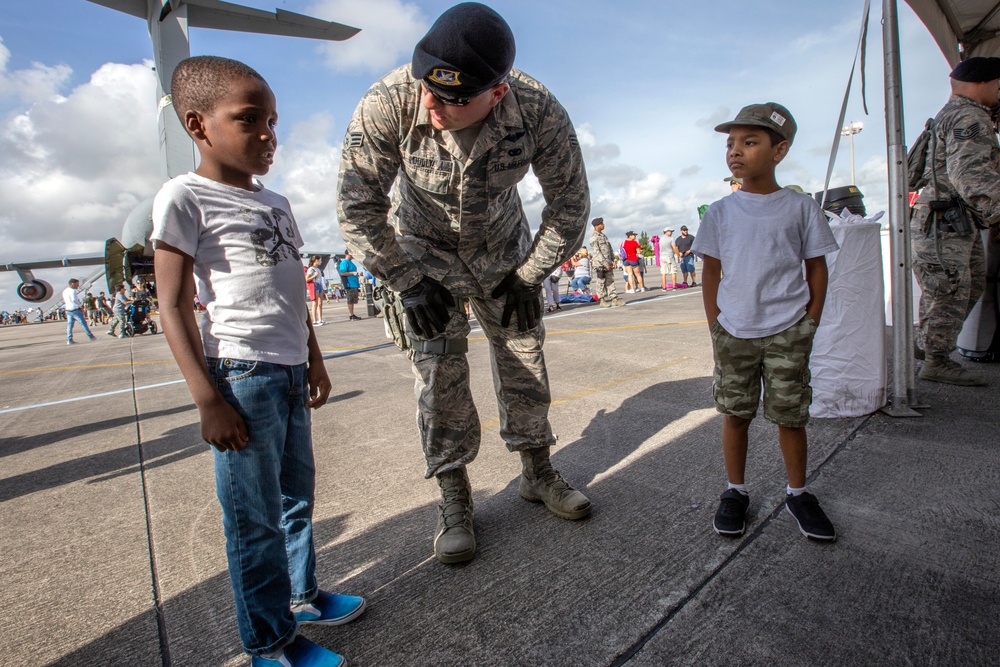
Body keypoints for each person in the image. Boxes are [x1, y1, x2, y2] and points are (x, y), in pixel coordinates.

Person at [337, 2, 593, 564]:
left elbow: (570, 205)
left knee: (525, 358)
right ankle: (455, 496)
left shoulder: (537, 111)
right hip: (424, 261)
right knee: (438, 373)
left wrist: (530, 275)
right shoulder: (391, 101)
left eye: (452, 98)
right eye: (428, 86)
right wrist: (406, 280)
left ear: (495, 94)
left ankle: (537, 471)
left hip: (504, 256)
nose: (432, 104)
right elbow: (357, 206)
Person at [151, 55, 365, 667]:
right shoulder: (184, 196)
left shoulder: (277, 202)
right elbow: (171, 305)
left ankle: (302, 593)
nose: (268, 135)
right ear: (198, 124)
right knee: (255, 521)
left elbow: (293, 290)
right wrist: (206, 398)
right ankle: (269, 643)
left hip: (290, 370)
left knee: (297, 497)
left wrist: (314, 359)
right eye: (250, 121)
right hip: (240, 378)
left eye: (272, 121)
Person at [694, 102, 840, 542]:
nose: (736, 152)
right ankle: (735, 490)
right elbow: (711, 273)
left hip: (787, 330)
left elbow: (817, 268)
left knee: (790, 416)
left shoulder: (800, 208)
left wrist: (808, 323)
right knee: (734, 414)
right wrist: (715, 324)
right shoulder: (720, 212)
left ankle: (798, 492)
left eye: (750, 142)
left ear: (780, 151)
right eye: (731, 144)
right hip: (734, 331)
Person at [912, 56, 1000, 386]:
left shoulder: (944, 117)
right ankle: (936, 360)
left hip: (948, 220)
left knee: (964, 285)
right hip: (945, 221)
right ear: (983, 83)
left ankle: (929, 344)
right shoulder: (969, 116)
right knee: (950, 290)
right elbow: (973, 177)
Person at [589, 218, 625, 308]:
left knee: (610, 280)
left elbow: (609, 249)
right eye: (601, 224)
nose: (603, 225)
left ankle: (614, 299)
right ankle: (602, 300)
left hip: (608, 262)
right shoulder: (594, 237)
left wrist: (613, 260)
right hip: (600, 263)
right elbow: (596, 252)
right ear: (596, 226)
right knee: (601, 281)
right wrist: (605, 263)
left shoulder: (603, 236)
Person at [62, 278, 97, 344]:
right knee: (83, 323)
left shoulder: (65, 291)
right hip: (75, 309)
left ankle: (70, 339)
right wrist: (80, 305)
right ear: (72, 284)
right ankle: (91, 336)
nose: (78, 286)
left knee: (70, 325)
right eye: (77, 284)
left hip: (68, 309)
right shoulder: (73, 291)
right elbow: (74, 300)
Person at [337, 251, 362, 321]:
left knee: (353, 300)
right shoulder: (344, 262)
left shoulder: (350, 262)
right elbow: (342, 273)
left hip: (353, 283)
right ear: (347, 254)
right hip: (350, 283)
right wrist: (352, 273)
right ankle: (351, 315)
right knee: (350, 300)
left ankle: (352, 314)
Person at [305, 255, 326, 325]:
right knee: (315, 304)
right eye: (320, 260)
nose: (321, 262)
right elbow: (307, 279)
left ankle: (320, 319)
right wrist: (314, 275)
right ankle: (314, 321)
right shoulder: (311, 269)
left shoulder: (318, 269)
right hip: (315, 285)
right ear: (316, 260)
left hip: (319, 285)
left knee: (320, 303)